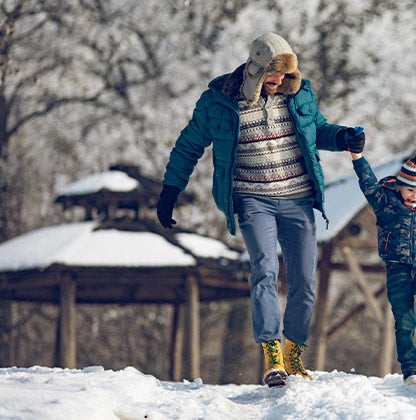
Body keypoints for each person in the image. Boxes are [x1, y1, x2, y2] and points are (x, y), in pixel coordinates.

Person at [156, 32, 366, 388]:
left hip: (298, 197)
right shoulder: (219, 102)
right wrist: (170, 190)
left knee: (304, 279)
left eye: (285, 75)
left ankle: (294, 352)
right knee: (264, 270)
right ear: (255, 67)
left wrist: (344, 137)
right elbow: (189, 144)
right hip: (253, 199)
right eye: (274, 74)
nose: (280, 81)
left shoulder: (298, 94)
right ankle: (272, 354)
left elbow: (318, 130)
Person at [350, 133, 416, 385]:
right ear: (399, 186)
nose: (415, 196)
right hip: (396, 269)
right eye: (410, 190)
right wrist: (357, 156)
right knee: (404, 319)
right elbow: (368, 184)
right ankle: (410, 369)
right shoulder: (385, 204)